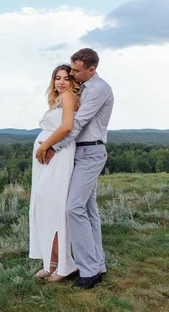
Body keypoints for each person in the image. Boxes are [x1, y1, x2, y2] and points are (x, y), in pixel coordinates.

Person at [38, 48, 114, 289]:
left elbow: (78, 123)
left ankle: (88, 270)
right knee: (89, 210)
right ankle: (97, 265)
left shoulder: (99, 89)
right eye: (71, 68)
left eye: (76, 70)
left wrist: (52, 147)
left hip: (89, 152)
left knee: (73, 208)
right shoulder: (83, 87)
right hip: (78, 152)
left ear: (92, 69)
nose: (71, 73)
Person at [29, 64, 81, 282]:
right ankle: (50, 263)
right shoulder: (56, 100)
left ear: (72, 82)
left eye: (66, 78)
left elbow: (67, 127)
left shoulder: (69, 97)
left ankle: (64, 266)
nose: (61, 82)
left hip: (58, 155)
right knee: (42, 206)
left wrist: (44, 147)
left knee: (55, 206)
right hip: (46, 160)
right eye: (57, 78)